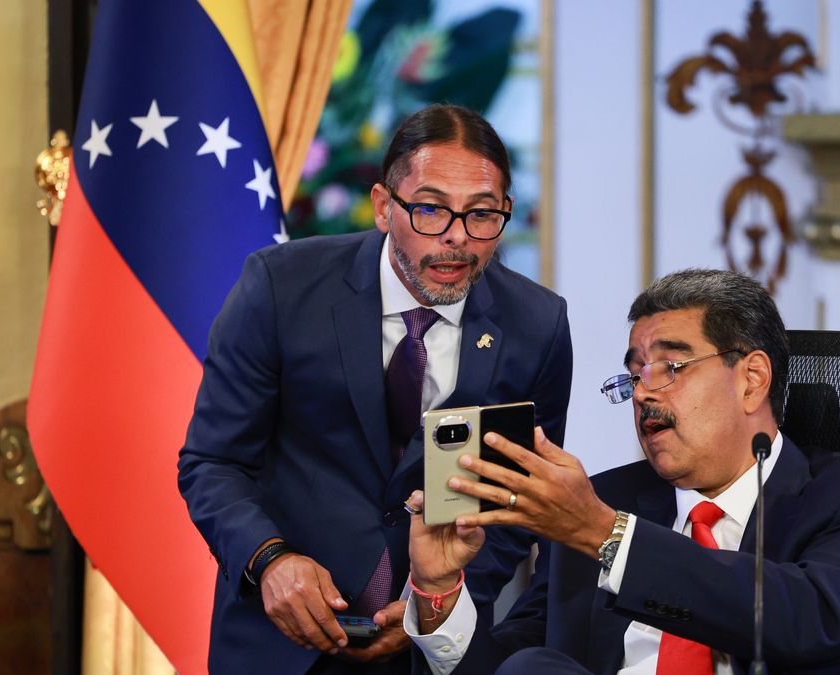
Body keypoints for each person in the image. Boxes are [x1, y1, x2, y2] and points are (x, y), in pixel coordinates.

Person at [177, 104, 572, 674]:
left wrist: (437, 605)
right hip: (280, 641)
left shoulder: (538, 324)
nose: (457, 240)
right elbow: (212, 462)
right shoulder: (281, 287)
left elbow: (518, 501)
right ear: (385, 207)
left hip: (431, 651)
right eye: (431, 209)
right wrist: (270, 561)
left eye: (483, 215)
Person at [403, 268, 840, 674]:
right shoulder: (603, 501)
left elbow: (812, 619)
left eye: (669, 368)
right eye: (633, 373)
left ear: (752, 379)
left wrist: (604, 536)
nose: (642, 392)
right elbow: (513, 666)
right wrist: (440, 590)